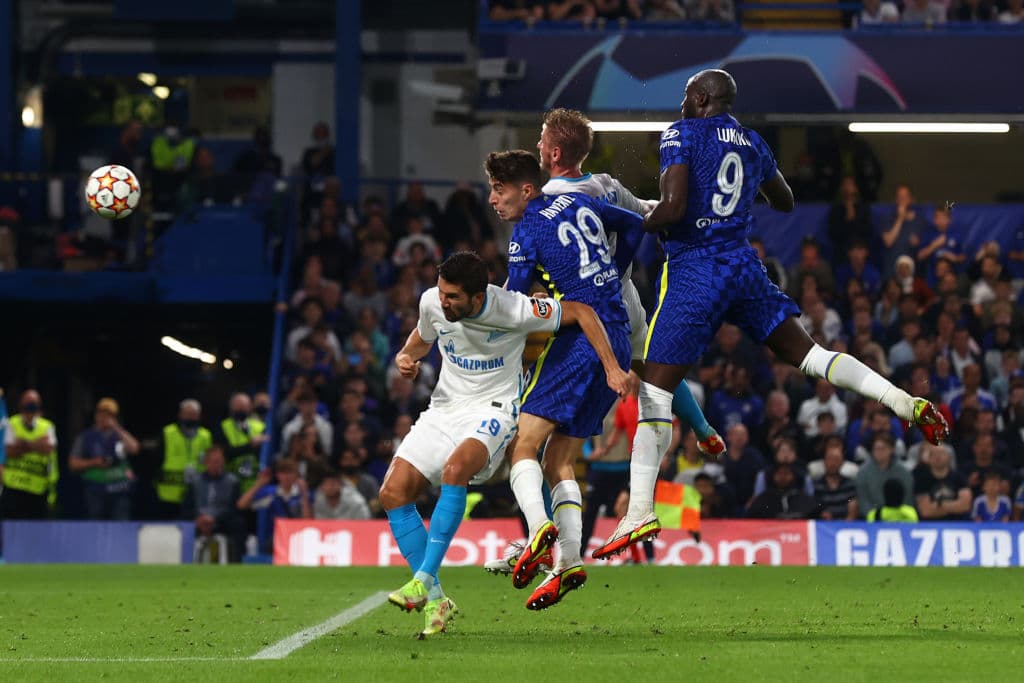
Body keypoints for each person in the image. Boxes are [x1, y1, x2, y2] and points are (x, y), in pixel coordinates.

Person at [595, 69, 948, 560]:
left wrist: (633, 219)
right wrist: (736, 195)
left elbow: (673, 209)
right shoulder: (753, 141)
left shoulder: (681, 133)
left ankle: (637, 514)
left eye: (684, 96)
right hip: (743, 265)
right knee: (811, 355)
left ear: (700, 98)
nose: (680, 105)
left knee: (655, 391)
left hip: (696, 269)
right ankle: (903, 401)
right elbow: (784, 200)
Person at [379, 251, 628, 634]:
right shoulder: (432, 301)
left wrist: (612, 367)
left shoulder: (513, 308)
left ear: (478, 298)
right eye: (442, 293)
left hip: (494, 410)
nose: (443, 302)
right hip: (443, 408)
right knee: (392, 492)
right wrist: (405, 356)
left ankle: (423, 578)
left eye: (453, 298)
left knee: (455, 470)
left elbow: (581, 312)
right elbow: (420, 337)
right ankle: (436, 601)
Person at [486, 150, 637, 607]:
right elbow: (632, 224)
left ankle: (536, 531)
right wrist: (617, 270)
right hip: (618, 333)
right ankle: (569, 561)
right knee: (559, 462)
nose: (493, 199)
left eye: (500, 189)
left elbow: (513, 307)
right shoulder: (577, 202)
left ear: (527, 190)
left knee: (523, 446)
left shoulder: (526, 231)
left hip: (580, 342)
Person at [535, 108, 724, 457]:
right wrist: (691, 214)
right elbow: (647, 211)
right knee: (651, 367)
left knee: (543, 429)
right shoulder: (606, 184)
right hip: (625, 297)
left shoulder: (547, 200)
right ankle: (702, 428)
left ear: (555, 153)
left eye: (542, 140)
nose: (538, 145)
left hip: (586, 312)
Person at [68, 398, 140, 521]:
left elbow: (135, 448)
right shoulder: (86, 437)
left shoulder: (120, 435)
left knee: (120, 522)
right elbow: (73, 464)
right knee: (95, 523)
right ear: (96, 415)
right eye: (102, 414)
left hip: (119, 488)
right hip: (95, 489)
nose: (105, 418)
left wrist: (116, 428)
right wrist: (94, 462)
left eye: (110, 415)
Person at [181, 445, 244, 562]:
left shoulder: (232, 481)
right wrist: (198, 519)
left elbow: (233, 508)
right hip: (198, 521)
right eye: (214, 461)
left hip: (222, 522)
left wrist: (215, 519)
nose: (217, 465)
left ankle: (235, 563)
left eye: (220, 461)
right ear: (206, 462)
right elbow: (186, 507)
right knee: (183, 525)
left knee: (238, 523)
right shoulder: (195, 482)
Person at [1, 390, 58, 519]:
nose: (30, 408)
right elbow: (9, 451)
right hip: (13, 488)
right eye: (27, 404)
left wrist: (22, 443)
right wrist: (36, 444)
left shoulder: (47, 426)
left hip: (37, 489)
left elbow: (48, 449)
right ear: (21, 405)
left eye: (33, 404)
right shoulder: (11, 423)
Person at [237, 458, 311, 552]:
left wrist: (304, 494)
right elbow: (241, 504)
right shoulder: (271, 493)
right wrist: (258, 484)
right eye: (283, 473)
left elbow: (308, 521)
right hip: (278, 538)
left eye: (290, 472)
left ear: (296, 475)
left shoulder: (304, 494)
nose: (287, 477)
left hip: (300, 536)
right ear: (277, 475)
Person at [156, 398, 212, 519]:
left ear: (199, 416)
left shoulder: (206, 435)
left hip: (196, 493)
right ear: (180, 414)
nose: (190, 418)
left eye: (193, 415)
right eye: (187, 414)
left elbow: (210, 462)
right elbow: (156, 461)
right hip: (169, 494)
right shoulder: (168, 432)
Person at [215, 393, 268, 492]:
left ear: (250, 407)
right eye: (237, 408)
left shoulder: (261, 427)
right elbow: (223, 454)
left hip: (254, 483)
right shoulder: (223, 427)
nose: (240, 411)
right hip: (230, 482)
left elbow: (265, 454)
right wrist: (249, 446)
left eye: (243, 407)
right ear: (231, 408)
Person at [855, 431, 914, 516]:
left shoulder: (904, 472)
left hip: (899, 517)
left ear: (892, 449)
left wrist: (898, 515)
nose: (879, 452)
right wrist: (875, 516)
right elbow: (863, 499)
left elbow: (908, 499)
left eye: (883, 448)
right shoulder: (863, 472)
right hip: (872, 518)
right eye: (876, 449)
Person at [914, 443, 972, 521]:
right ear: (929, 459)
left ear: (948, 457)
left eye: (941, 453)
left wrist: (939, 505)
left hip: (957, 524)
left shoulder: (959, 478)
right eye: (934, 454)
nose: (938, 457)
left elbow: (965, 506)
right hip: (930, 526)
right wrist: (954, 506)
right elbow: (926, 511)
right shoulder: (922, 480)